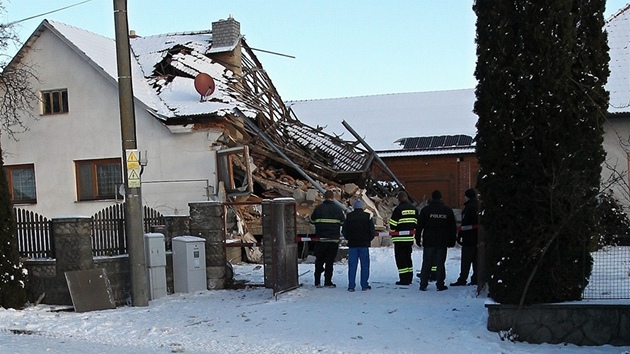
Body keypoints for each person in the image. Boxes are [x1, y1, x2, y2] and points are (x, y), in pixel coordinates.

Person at [416, 190, 457, 291]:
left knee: (426, 263)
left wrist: (417, 238)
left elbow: (419, 226)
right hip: (442, 241)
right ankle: (440, 284)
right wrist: (452, 240)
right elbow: (453, 227)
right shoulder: (447, 211)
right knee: (440, 263)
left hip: (429, 241)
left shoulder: (426, 210)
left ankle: (423, 284)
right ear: (441, 198)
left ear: (432, 198)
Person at [310, 190, 345, 288]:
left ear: (324, 197)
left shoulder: (319, 209)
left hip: (320, 239)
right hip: (333, 240)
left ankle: (317, 281)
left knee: (319, 260)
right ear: (333, 197)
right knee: (330, 262)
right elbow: (343, 222)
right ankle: (328, 281)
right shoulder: (337, 209)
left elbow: (311, 220)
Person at [342, 199, 375, 292]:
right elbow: (372, 231)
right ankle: (364, 284)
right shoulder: (367, 217)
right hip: (364, 245)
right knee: (365, 265)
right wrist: (368, 239)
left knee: (352, 266)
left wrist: (348, 237)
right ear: (362, 207)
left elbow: (344, 230)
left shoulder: (349, 217)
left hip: (353, 244)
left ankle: (351, 286)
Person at [451, 188, 479, 286]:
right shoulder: (479, 206)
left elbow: (465, 224)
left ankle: (462, 279)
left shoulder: (468, 208)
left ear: (467, 197)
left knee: (466, 261)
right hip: (478, 238)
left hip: (468, 238)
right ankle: (476, 279)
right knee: (476, 260)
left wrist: (460, 235)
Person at [389, 191, 417, 286]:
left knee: (401, 260)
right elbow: (417, 223)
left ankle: (404, 279)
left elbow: (393, 225)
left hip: (399, 239)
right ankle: (409, 277)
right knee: (408, 258)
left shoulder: (398, 209)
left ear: (399, 199)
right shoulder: (414, 209)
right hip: (409, 239)